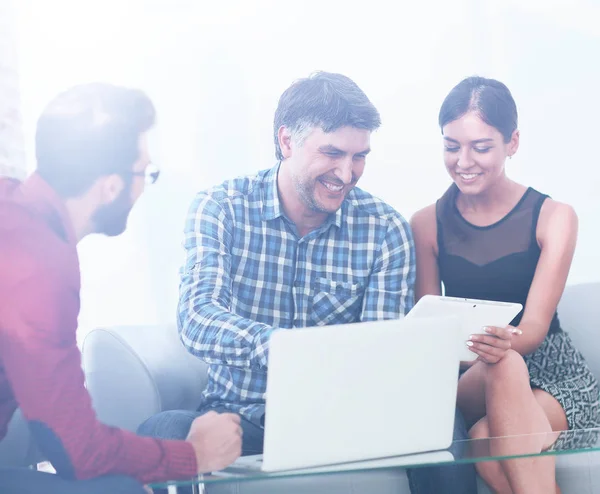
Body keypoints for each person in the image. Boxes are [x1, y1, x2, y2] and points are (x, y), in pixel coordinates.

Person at [138, 71, 477, 493]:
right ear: (286, 142)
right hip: (242, 420)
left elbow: (379, 349)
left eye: (359, 156)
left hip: (347, 424)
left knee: (445, 422)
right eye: (332, 153)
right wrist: (286, 350)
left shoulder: (385, 229)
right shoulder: (221, 208)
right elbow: (196, 317)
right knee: (165, 428)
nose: (347, 172)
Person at [0, 83, 242, 494]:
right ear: (111, 186)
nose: (144, 185)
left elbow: (59, 428)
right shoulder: (39, 263)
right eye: (145, 173)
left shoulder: (14, 209)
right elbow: (77, 450)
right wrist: (194, 455)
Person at [410, 76, 600, 494]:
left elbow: (533, 327)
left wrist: (502, 344)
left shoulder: (555, 216)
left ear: (512, 143)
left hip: (553, 374)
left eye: (481, 147)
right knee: (500, 364)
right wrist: (482, 351)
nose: (464, 161)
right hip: (472, 374)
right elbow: (429, 331)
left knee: (483, 439)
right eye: (451, 146)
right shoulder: (426, 224)